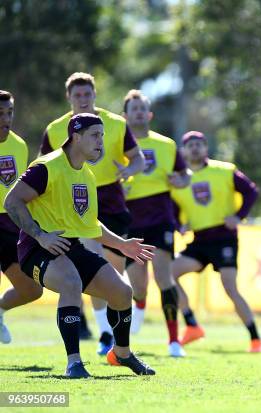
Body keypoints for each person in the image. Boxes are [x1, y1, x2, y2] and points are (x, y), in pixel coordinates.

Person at [4, 113, 155, 378]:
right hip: (36, 249)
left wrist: (122, 245)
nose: (101, 142)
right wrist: (41, 235)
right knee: (71, 282)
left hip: (70, 247)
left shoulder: (86, 175)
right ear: (76, 136)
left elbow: (90, 225)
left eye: (103, 136)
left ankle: (122, 354)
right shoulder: (47, 167)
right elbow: (12, 201)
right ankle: (74, 363)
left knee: (122, 291)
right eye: (95, 135)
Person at [41, 72, 145, 355]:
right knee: (94, 264)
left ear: (95, 95)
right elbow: (43, 169)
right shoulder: (55, 129)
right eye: (78, 95)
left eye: (88, 94)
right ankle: (104, 333)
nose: (83, 100)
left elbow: (139, 159)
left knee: (115, 273)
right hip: (75, 205)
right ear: (69, 98)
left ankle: (115, 329)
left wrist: (128, 169)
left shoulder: (115, 123)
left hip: (111, 200)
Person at [171, 131, 261, 353]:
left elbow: (251, 191)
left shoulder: (224, 170)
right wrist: (179, 225)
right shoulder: (180, 180)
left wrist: (239, 216)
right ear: (183, 151)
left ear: (206, 148)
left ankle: (256, 339)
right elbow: (173, 208)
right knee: (167, 273)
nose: (194, 148)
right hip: (200, 240)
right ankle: (192, 325)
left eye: (199, 144)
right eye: (190, 145)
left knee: (230, 288)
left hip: (224, 238)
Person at [121, 90, 191, 357]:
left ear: (149, 114)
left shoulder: (167, 144)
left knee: (164, 277)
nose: (138, 112)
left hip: (161, 218)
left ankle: (174, 340)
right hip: (131, 219)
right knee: (138, 286)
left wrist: (181, 181)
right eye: (133, 108)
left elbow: (185, 176)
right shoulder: (117, 146)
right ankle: (139, 305)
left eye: (142, 108)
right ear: (125, 116)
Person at [0, 90, 43, 343]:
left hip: (9, 224)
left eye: (9, 112)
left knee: (32, 290)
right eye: (0, 114)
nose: (6, 118)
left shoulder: (18, 145)